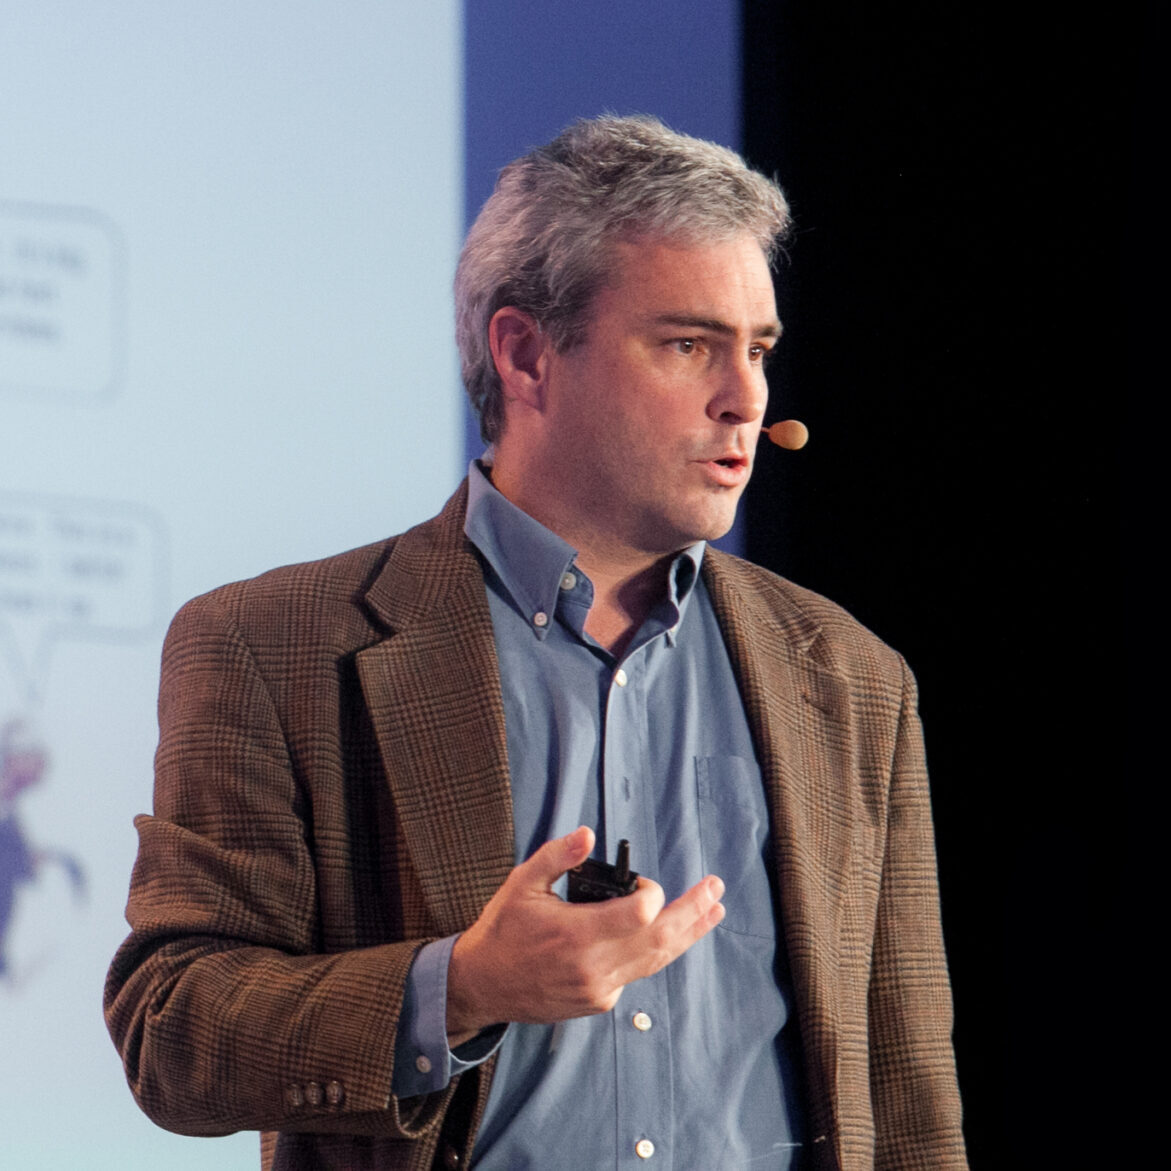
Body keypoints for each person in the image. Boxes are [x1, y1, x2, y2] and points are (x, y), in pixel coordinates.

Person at [105, 115, 967, 1170]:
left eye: (759, 350)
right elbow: (174, 1029)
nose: (748, 399)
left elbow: (910, 1104)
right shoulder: (272, 646)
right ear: (523, 354)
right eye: (688, 345)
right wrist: (462, 987)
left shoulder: (848, 678)